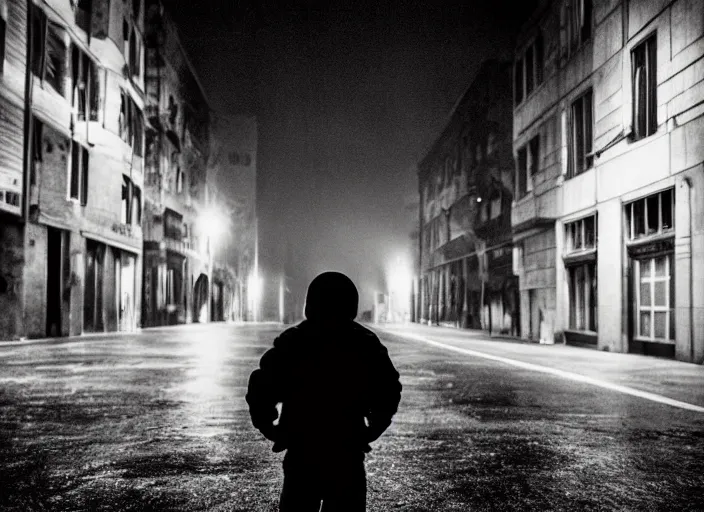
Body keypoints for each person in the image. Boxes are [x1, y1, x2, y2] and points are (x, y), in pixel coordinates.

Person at [246, 271, 402, 511]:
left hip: (301, 451)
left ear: (310, 304)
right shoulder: (365, 343)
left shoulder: (293, 342)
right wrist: (374, 428)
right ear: (352, 306)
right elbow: (388, 389)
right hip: (347, 453)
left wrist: (270, 428)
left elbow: (261, 386)